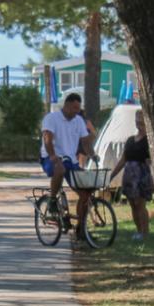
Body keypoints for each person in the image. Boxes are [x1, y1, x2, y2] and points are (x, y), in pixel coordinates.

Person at [41, 93, 93, 228]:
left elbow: (85, 142)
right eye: (74, 108)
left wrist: (93, 155)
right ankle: (52, 200)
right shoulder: (52, 118)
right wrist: (53, 156)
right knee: (60, 168)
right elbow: (47, 138)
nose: (77, 111)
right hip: (50, 156)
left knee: (85, 193)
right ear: (67, 105)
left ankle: (81, 230)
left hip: (71, 160)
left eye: (78, 108)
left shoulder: (79, 120)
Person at [120, 110, 154, 241]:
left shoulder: (149, 140)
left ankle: (145, 232)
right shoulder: (130, 140)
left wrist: (153, 178)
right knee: (132, 204)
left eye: (141, 119)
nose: (139, 122)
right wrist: (111, 175)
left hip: (142, 175)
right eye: (137, 119)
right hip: (129, 175)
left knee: (140, 204)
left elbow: (151, 160)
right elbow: (123, 160)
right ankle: (138, 231)